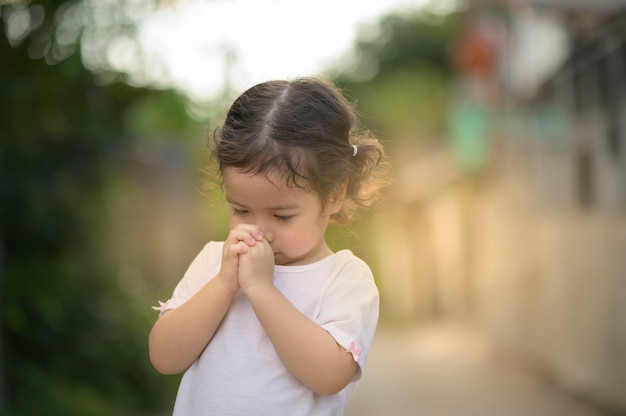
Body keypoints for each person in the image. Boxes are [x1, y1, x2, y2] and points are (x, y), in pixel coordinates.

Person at [148, 77, 391, 416]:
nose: (260, 231)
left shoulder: (344, 278)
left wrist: (261, 290)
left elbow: (329, 375)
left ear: (334, 195)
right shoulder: (214, 263)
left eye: (281, 215)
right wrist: (223, 284)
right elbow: (164, 357)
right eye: (241, 211)